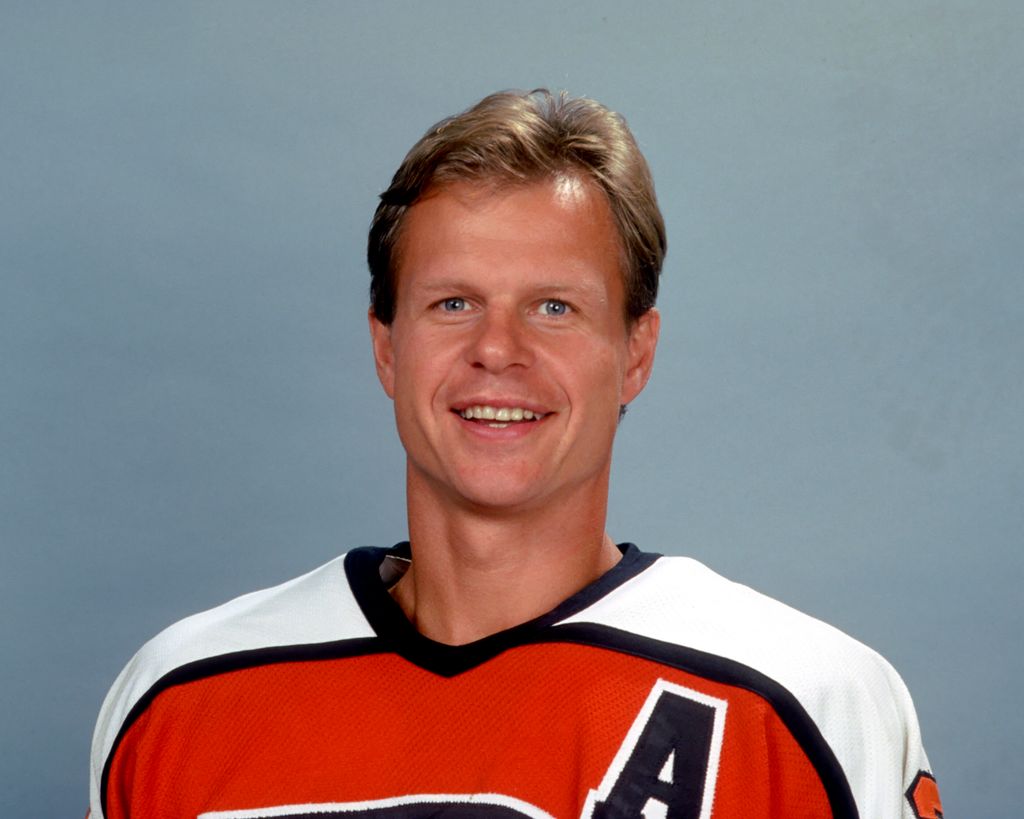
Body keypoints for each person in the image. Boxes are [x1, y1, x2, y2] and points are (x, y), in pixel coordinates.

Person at [89, 89, 942, 819]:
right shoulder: (182, 697)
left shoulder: (798, 701)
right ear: (386, 348)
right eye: (454, 301)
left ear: (636, 352)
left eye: (555, 307)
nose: (498, 349)